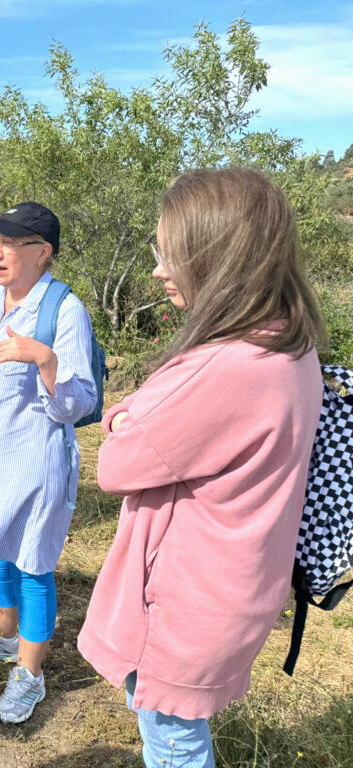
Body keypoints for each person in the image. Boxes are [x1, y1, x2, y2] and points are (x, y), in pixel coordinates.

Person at [77, 168, 325, 767]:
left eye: (172, 254)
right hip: (232, 591)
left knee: (172, 743)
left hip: (183, 605)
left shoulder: (229, 367)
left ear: (218, 258)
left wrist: (120, 417)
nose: (160, 269)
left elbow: (116, 462)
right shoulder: (288, 346)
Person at [0, 203, 97, 724]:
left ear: (42, 252)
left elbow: (79, 402)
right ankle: (4, 635)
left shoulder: (64, 311)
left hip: (36, 460)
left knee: (33, 563)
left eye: (10, 242)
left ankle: (29, 674)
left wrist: (46, 360)